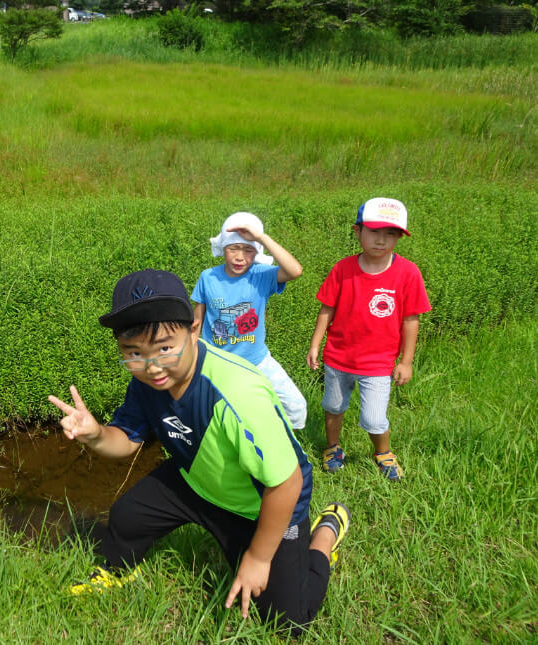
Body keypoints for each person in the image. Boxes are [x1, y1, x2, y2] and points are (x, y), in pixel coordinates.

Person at [49, 269, 349, 634]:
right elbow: (127, 440)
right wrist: (96, 435)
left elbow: (286, 483)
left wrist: (257, 557)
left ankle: (324, 535)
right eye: (134, 353)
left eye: (164, 348)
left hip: (263, 503)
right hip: (198, 479)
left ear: (193, 328)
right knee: (127, 516)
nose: (152, 366)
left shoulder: (237, 391)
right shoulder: (146, 380)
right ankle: (120, 571)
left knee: (287, 623)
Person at [306, 198, 431, 481]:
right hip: (338, 357)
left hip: (379, 363)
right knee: (333, 406)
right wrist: (315, 344)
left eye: (391, 234)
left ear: (400, 236)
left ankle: (382, 452)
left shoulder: (408, 273)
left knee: (374, 419)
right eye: (374, 232)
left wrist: (406, 361)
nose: (381, 241)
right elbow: (327, 308)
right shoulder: (343, 269)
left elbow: (411, 320)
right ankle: (332, 447)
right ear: (357, 231)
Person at [192, 212, 307, 431]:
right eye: (233, 248)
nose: (240, 257)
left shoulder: (261, 275)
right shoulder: (208, 277)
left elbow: (295, 271)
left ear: (257, 253)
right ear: (223, 248)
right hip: (218, 362)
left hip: (257, 360)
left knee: (296, 407)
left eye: (248, 250)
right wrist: (193, 360)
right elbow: (196, 323)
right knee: (215, 415)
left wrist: (261, 237)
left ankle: (283, 443)